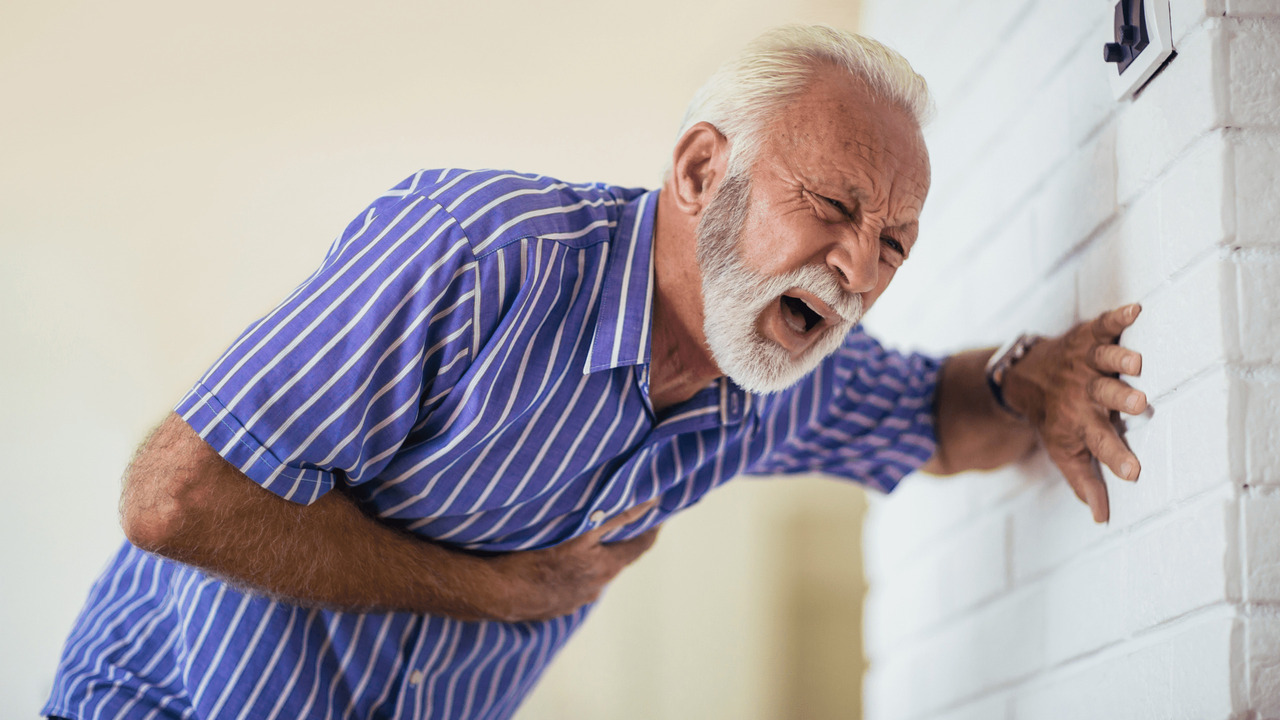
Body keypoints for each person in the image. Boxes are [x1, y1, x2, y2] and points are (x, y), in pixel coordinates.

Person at [44, 25, 1146, 720]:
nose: (859, 268)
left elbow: (935, 418)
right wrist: (501, 588)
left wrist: (1031, 380)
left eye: (895, 243)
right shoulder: (479, 254)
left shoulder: (774, 372)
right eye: (832, 207)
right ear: (702, 168)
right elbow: (175, 497)